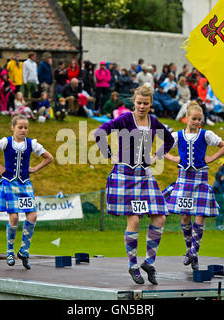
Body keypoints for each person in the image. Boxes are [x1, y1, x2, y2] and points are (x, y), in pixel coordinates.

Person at [94, 84, 175, 285]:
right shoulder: (124, 119)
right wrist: (109, 155)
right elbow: (100, 132)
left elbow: (170, 140)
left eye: (145, 103)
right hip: (125, 174)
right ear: (134, 102)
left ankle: (149, 262)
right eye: (139, 102)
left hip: (145, 175)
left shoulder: (153, 121)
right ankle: (133, 266)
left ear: (150, 104)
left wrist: (156, 155)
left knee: (160, 217)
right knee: (135, 221)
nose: (141, 106)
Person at [162, 101, 224, 270]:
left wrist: (211, 158)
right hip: (184, 178)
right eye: (194, 119)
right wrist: (174, 158)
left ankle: (194, 252)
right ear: (186, 118)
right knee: (185, 216)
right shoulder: (177, 136)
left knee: (200, 214)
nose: (196, 122)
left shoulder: (206, 135)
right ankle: (190, 250)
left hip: (200, 178)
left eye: (199, 119)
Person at [0, 114, 54, 269]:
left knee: (33, 215)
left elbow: (49, 158)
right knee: (13, 217)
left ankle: (24, 250)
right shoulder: (5, 142)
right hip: (9, 183)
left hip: (24, 184)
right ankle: (9, 250)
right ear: (13, 127)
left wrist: (35, 168)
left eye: (26, 127)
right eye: (20, 127)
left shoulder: (32, 144)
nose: (23, 130)